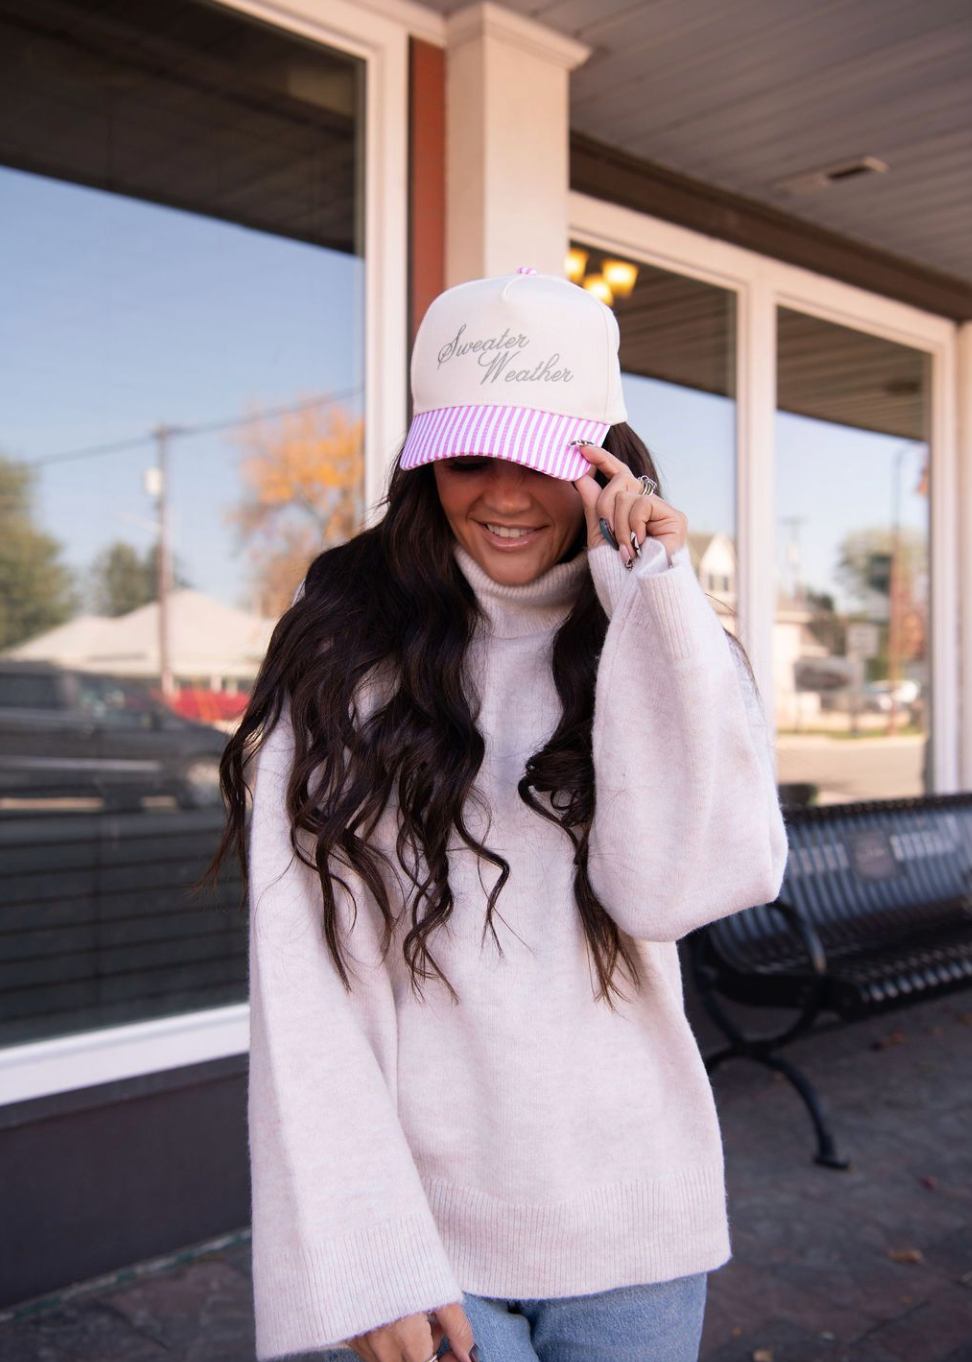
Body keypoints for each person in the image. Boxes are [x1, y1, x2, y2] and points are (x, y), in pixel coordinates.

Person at [202, 265, 789, 1362]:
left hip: (639, 1217)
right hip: (434, 1241)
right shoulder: (344, 660)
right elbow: (306, 982)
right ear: (425, 465)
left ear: (604, 460)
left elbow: (676, 893)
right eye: (472, 458)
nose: (505, 497)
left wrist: (653, 598)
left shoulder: (658, 627)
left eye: (544, 460)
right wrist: (363, 1253)